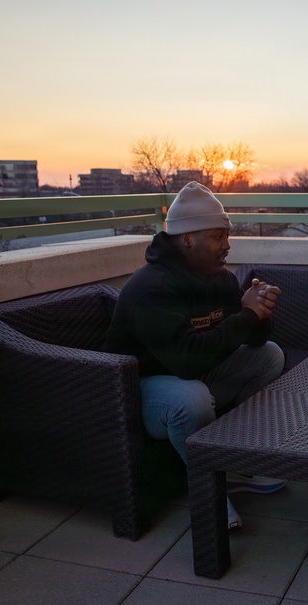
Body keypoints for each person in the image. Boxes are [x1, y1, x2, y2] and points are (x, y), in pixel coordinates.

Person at [104, 181, 287, 530]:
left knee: (270, 356)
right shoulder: (153, 288)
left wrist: (259, 311)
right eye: (218, 237)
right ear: (187, 238)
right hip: (137, 390)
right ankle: (209, 490)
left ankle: (238, 461)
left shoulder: (218, 278)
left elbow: (252, 339)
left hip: (194, 375)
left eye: (227, 235)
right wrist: (245, 316)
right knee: (191, 398)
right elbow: (186, 361)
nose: (227, 245)